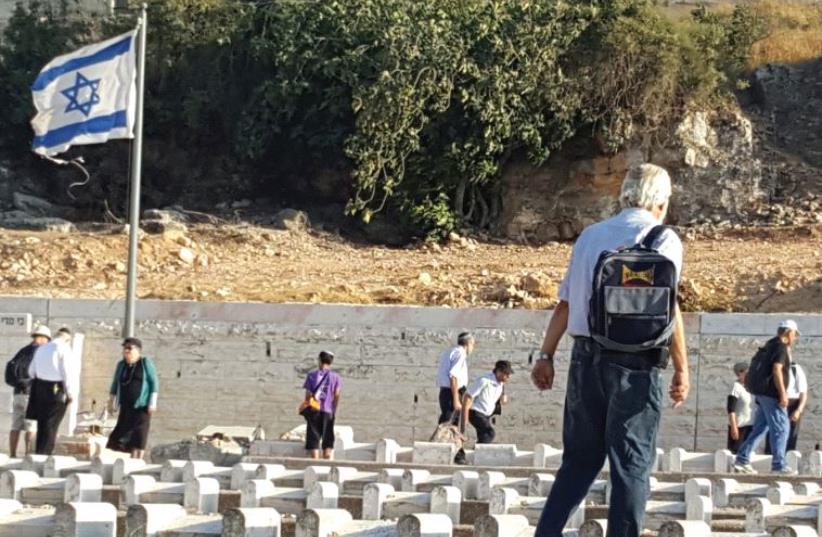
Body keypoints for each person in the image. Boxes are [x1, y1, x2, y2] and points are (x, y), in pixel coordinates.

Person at [531, 163, 689, 537]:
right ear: (662, 202)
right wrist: (682, 369)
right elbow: (670, 309)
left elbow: (567, 304)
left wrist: (546, 355)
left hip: (586, 359)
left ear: (625, 195)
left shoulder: (590, 236)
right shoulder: (663, 239)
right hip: (637, 364)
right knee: (631, 466)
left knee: (578, 462)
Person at [733, 320, 799, 474]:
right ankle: (779, 465)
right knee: (781, 428)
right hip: (771, 394)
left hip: (761, 393)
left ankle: (742, 459)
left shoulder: (769, 345)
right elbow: (777, 370)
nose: (795, 338)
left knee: (761, 428)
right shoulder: (781, 348)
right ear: (789, 333)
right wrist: (783, 394)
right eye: (795, 335)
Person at [26, 327, 76, 455]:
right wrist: (70, 394)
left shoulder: (41, 348)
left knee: (42, 424)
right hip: (56, 388)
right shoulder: (64, 349)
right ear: (67, 339)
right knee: (52, 424)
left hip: (40, 388)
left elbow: (31, 371)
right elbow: (67, 374)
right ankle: (45, 454)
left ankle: (39, 453)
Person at [106, 337, 159, 459]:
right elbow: (115, 384)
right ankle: (125, 459)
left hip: (142, 405)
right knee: (120, 433)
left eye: (130, 348)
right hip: (126, 405)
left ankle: (136, 460)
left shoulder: (145, 363)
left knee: (139, 434)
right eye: (125, 348)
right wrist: (111, 401)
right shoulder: (121, 365)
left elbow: (154, 382)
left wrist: (152, 402)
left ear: (138, 350)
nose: (126, 351)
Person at [5, 325, 51, 457]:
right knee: (31, 426)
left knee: (15, 426)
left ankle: (12, 454)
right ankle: (28, 455)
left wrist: (19, 384)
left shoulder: (22, 351)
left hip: (17, 394)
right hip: (31, 394)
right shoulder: (41, 353)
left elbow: (10, 373)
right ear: (42, 338)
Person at [301, 351, 342, 460]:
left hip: (314, 410)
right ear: (331, 362)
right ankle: (326, 462)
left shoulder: (311, 375)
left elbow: (308, 396)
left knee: (313, 440)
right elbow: (336, 396)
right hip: (328, 411)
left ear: (319, 360)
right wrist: (333, 410)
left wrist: (309, 406)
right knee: (328, 440)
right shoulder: (336, 377)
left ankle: (315, 463)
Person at [462, 360, 513, 445]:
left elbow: (499, 395)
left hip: (486, 415)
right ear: (498, 372)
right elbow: (468, 396)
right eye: (506, 374)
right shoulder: (484, 381)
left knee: (483, 436)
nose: (508, 377)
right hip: (476, 412)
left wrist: (502, 398)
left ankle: (478, 453)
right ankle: (479, 453)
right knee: (489, 433)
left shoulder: (501, 384)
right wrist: (465, 417)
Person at [436, 332, 474, 424]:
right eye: (472, 345)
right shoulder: (460, 353)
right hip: (452, 392)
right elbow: (453, 377)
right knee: (449, 421)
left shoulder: (451, 351)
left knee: (449, 420)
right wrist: (456, 400)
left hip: (446, 392)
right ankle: (441, 438)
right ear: (468, 343)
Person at [727, 362, 754, 454]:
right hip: (739, 427)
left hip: (751, 426)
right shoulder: (736, 387)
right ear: (739, 374)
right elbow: (731, 409)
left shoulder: (752, 387)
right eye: (744, 373)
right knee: (736, 453)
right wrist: (734, 427)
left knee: (748, 453)